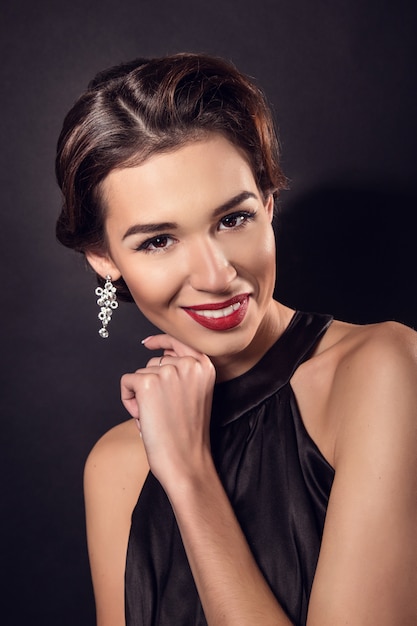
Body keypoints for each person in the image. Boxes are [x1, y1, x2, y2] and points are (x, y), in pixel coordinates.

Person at [55, 53, 417, 626]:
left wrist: (191, 476)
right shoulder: (116, 465)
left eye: (232, 219)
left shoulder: (383, 370)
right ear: (103, 259)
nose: (216, 275)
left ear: (268, 202)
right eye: (157, 241)